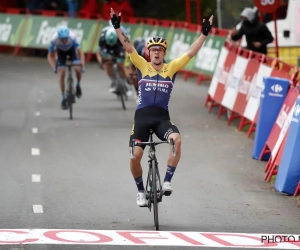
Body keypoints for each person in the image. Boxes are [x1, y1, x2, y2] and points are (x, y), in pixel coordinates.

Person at [110, 8, 213, 207]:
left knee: (176, 140)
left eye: (160, 50)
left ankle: (167, 181)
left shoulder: (171, 67)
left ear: (164, 53)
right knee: (135, 156)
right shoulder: (141, 65)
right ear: (149, 53)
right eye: (153, 50)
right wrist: (117, 27)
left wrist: (204, 34)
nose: (156, 52)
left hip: (161, 119)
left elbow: (190, 52)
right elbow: (129, 46)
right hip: (141, 119)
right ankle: (140, 190)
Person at [47, 25, 85, 110]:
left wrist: (82, 65)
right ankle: (63, 97)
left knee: (77, 68)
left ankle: (78, 85)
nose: (64, 41)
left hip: (72, 50)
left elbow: (81, 53)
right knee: (62, 73)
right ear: (59, 37)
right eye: (62, 39)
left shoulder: (72, 37)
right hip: (60, 52)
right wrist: (54, 67)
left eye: (66, 38)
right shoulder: (54, 39)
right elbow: (49, 56)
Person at [96, 22, 132, 96]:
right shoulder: (102, 37)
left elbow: (127, 48)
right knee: (107, 62)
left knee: (121, 64)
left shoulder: (122, 33)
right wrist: (101, 63)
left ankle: (125, 83)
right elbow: (98, 52)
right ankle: (112, 82)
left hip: (119, 45)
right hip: (107, 46)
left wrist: (125, 59)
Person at [124, 36, 150, 102]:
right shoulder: (136, 51)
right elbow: (130, 65)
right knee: (135, 76)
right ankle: (137, 91)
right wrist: (131, 75)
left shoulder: (157, 52)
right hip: (138, 62)